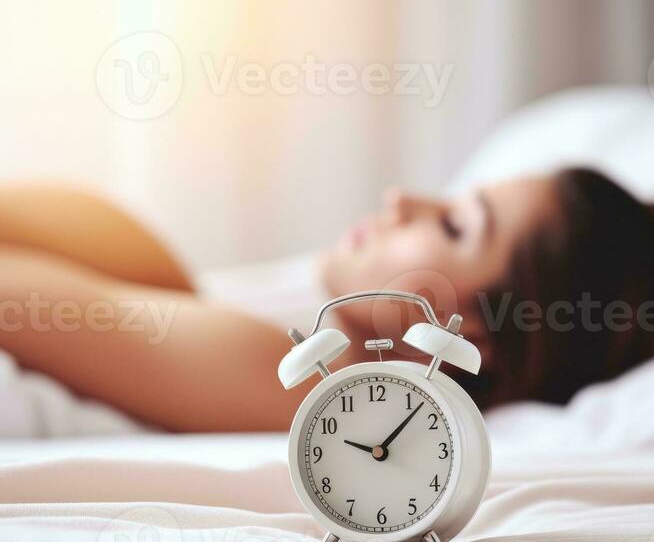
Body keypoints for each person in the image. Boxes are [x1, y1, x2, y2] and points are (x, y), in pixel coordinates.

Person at [0, 169, 650, 432]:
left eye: (454, 224)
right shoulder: (269, 318)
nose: (404, 200)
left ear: (474, 340)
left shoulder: (311, 381)